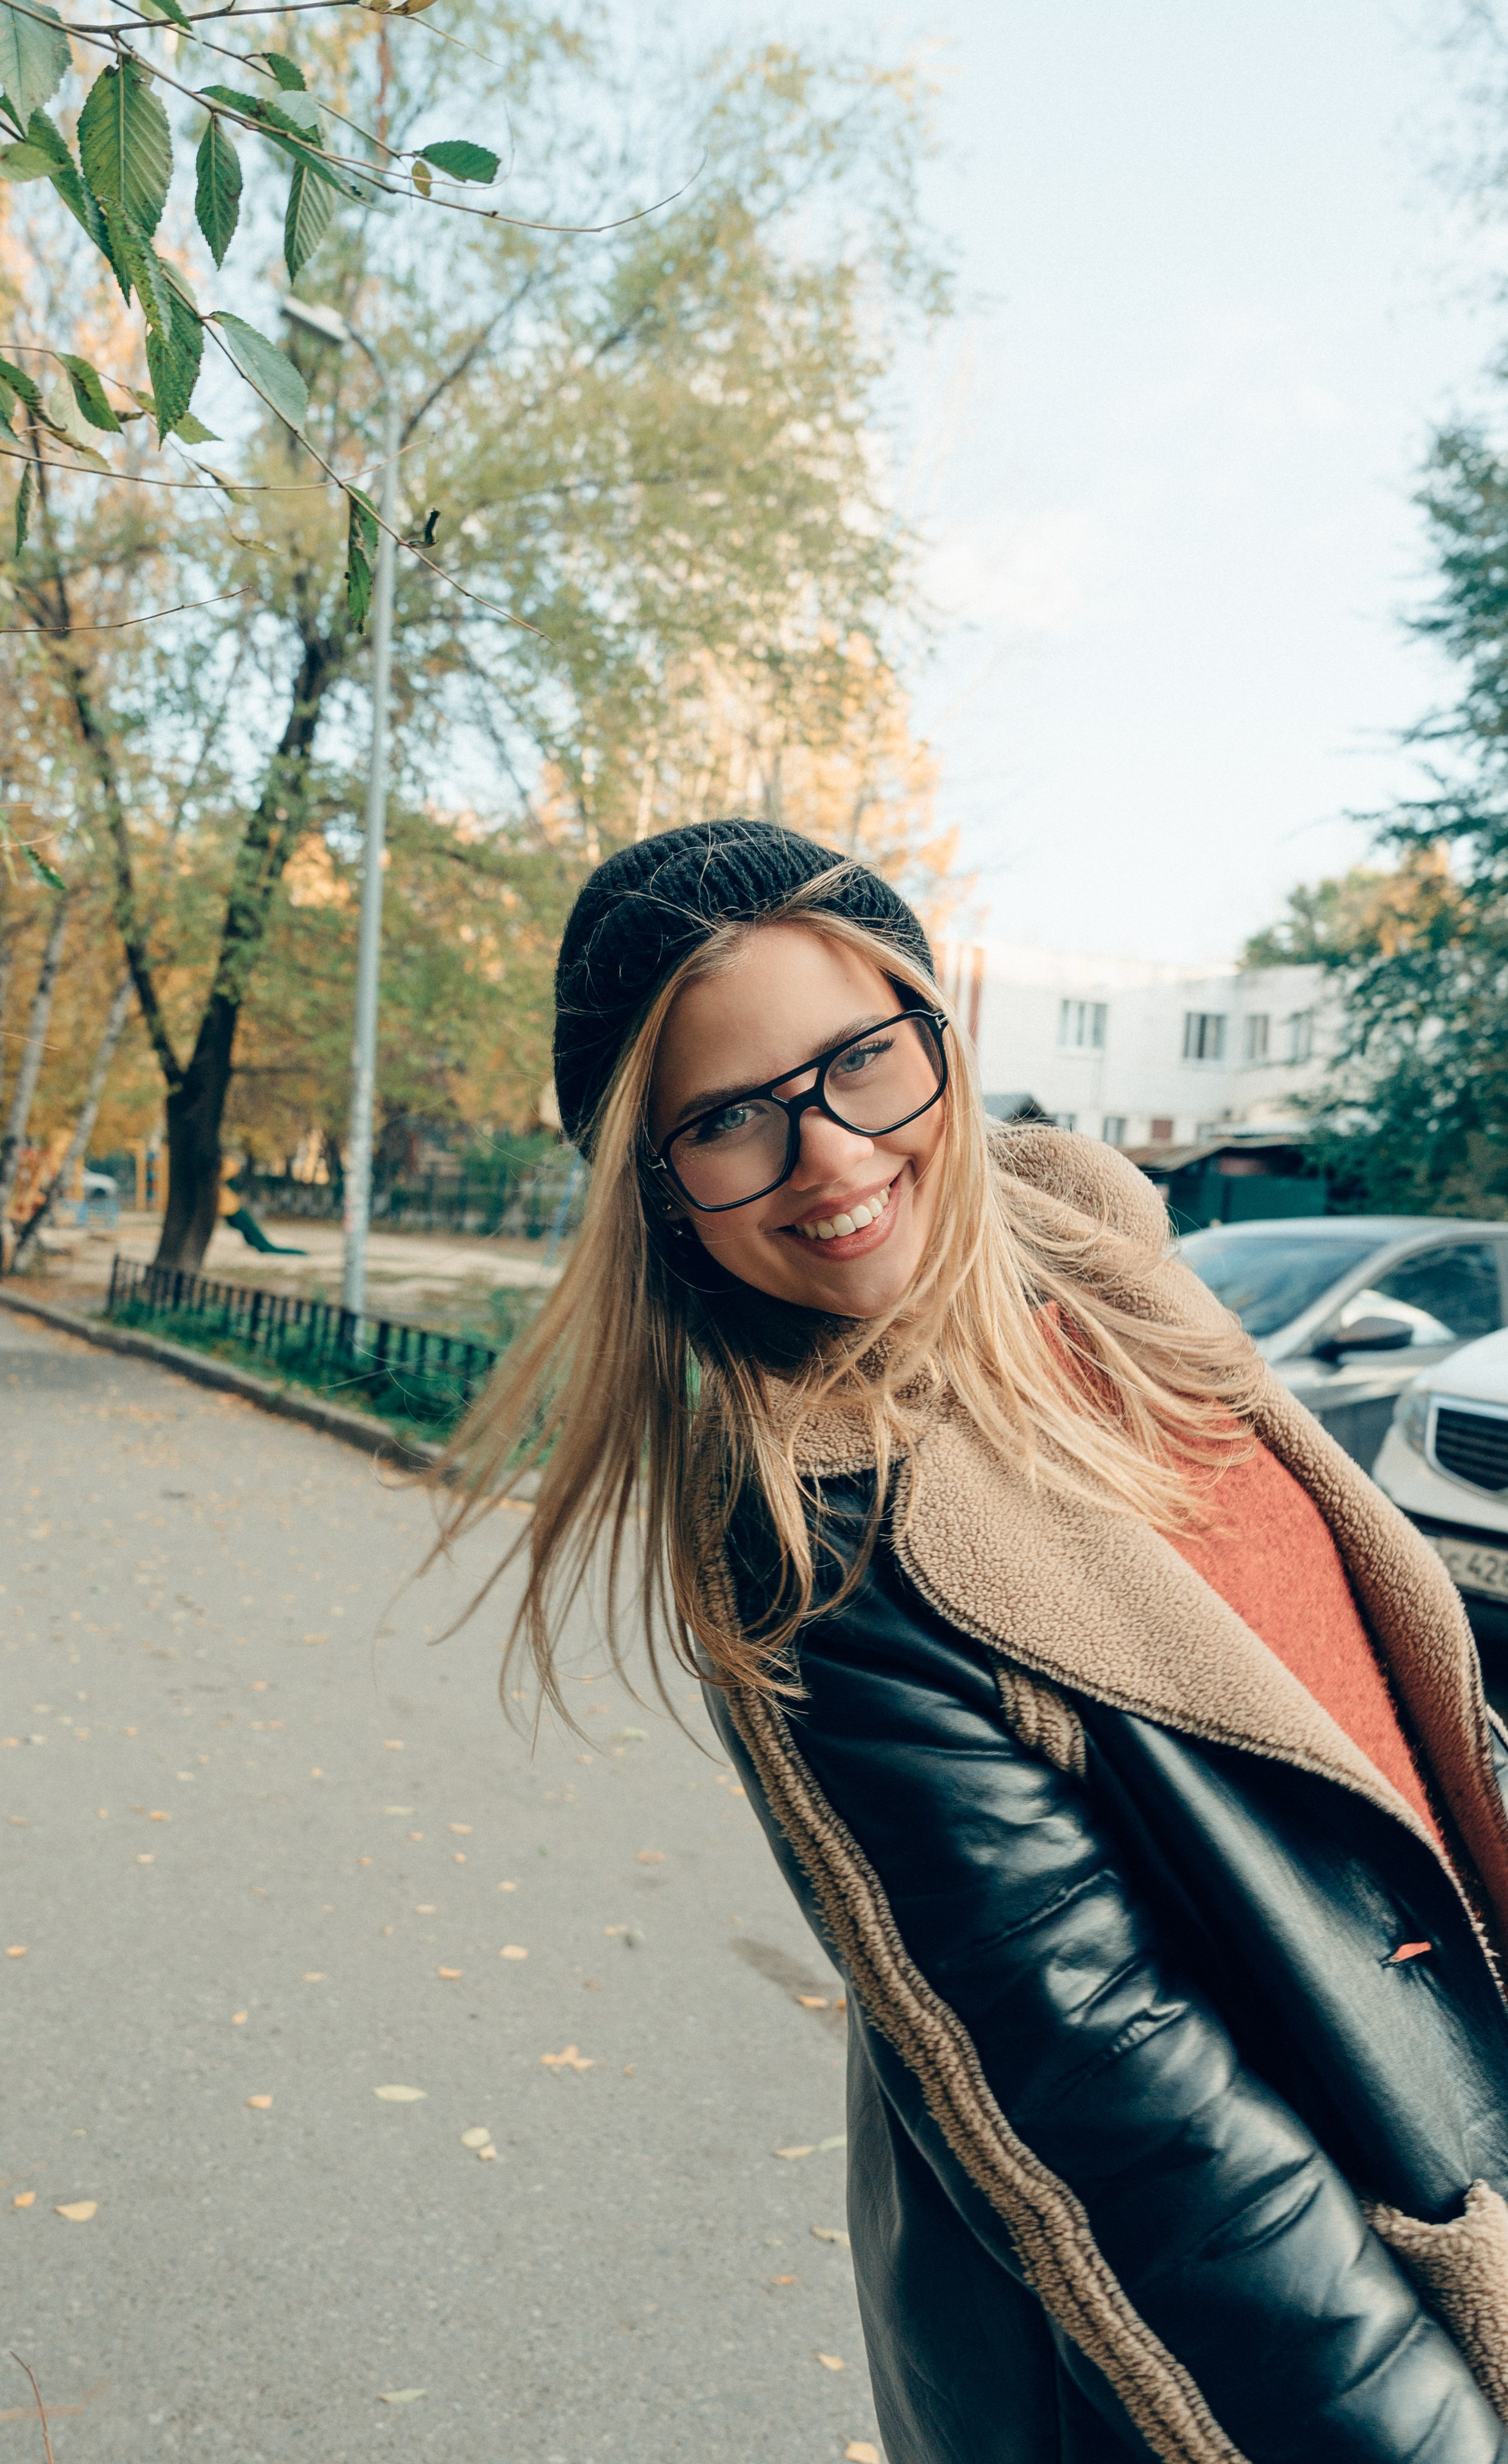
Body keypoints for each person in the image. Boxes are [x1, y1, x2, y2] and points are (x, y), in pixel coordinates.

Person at [440, 817, 1508, 2463]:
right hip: (1277, 2360)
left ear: (934, 1037)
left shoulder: (1122, 1296)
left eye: (859, 1061)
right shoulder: (820, 1535)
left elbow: (1379, 1730)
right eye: (728, 1121)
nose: (830, 1158)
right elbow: (1131, 2130)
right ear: (655, 1196)